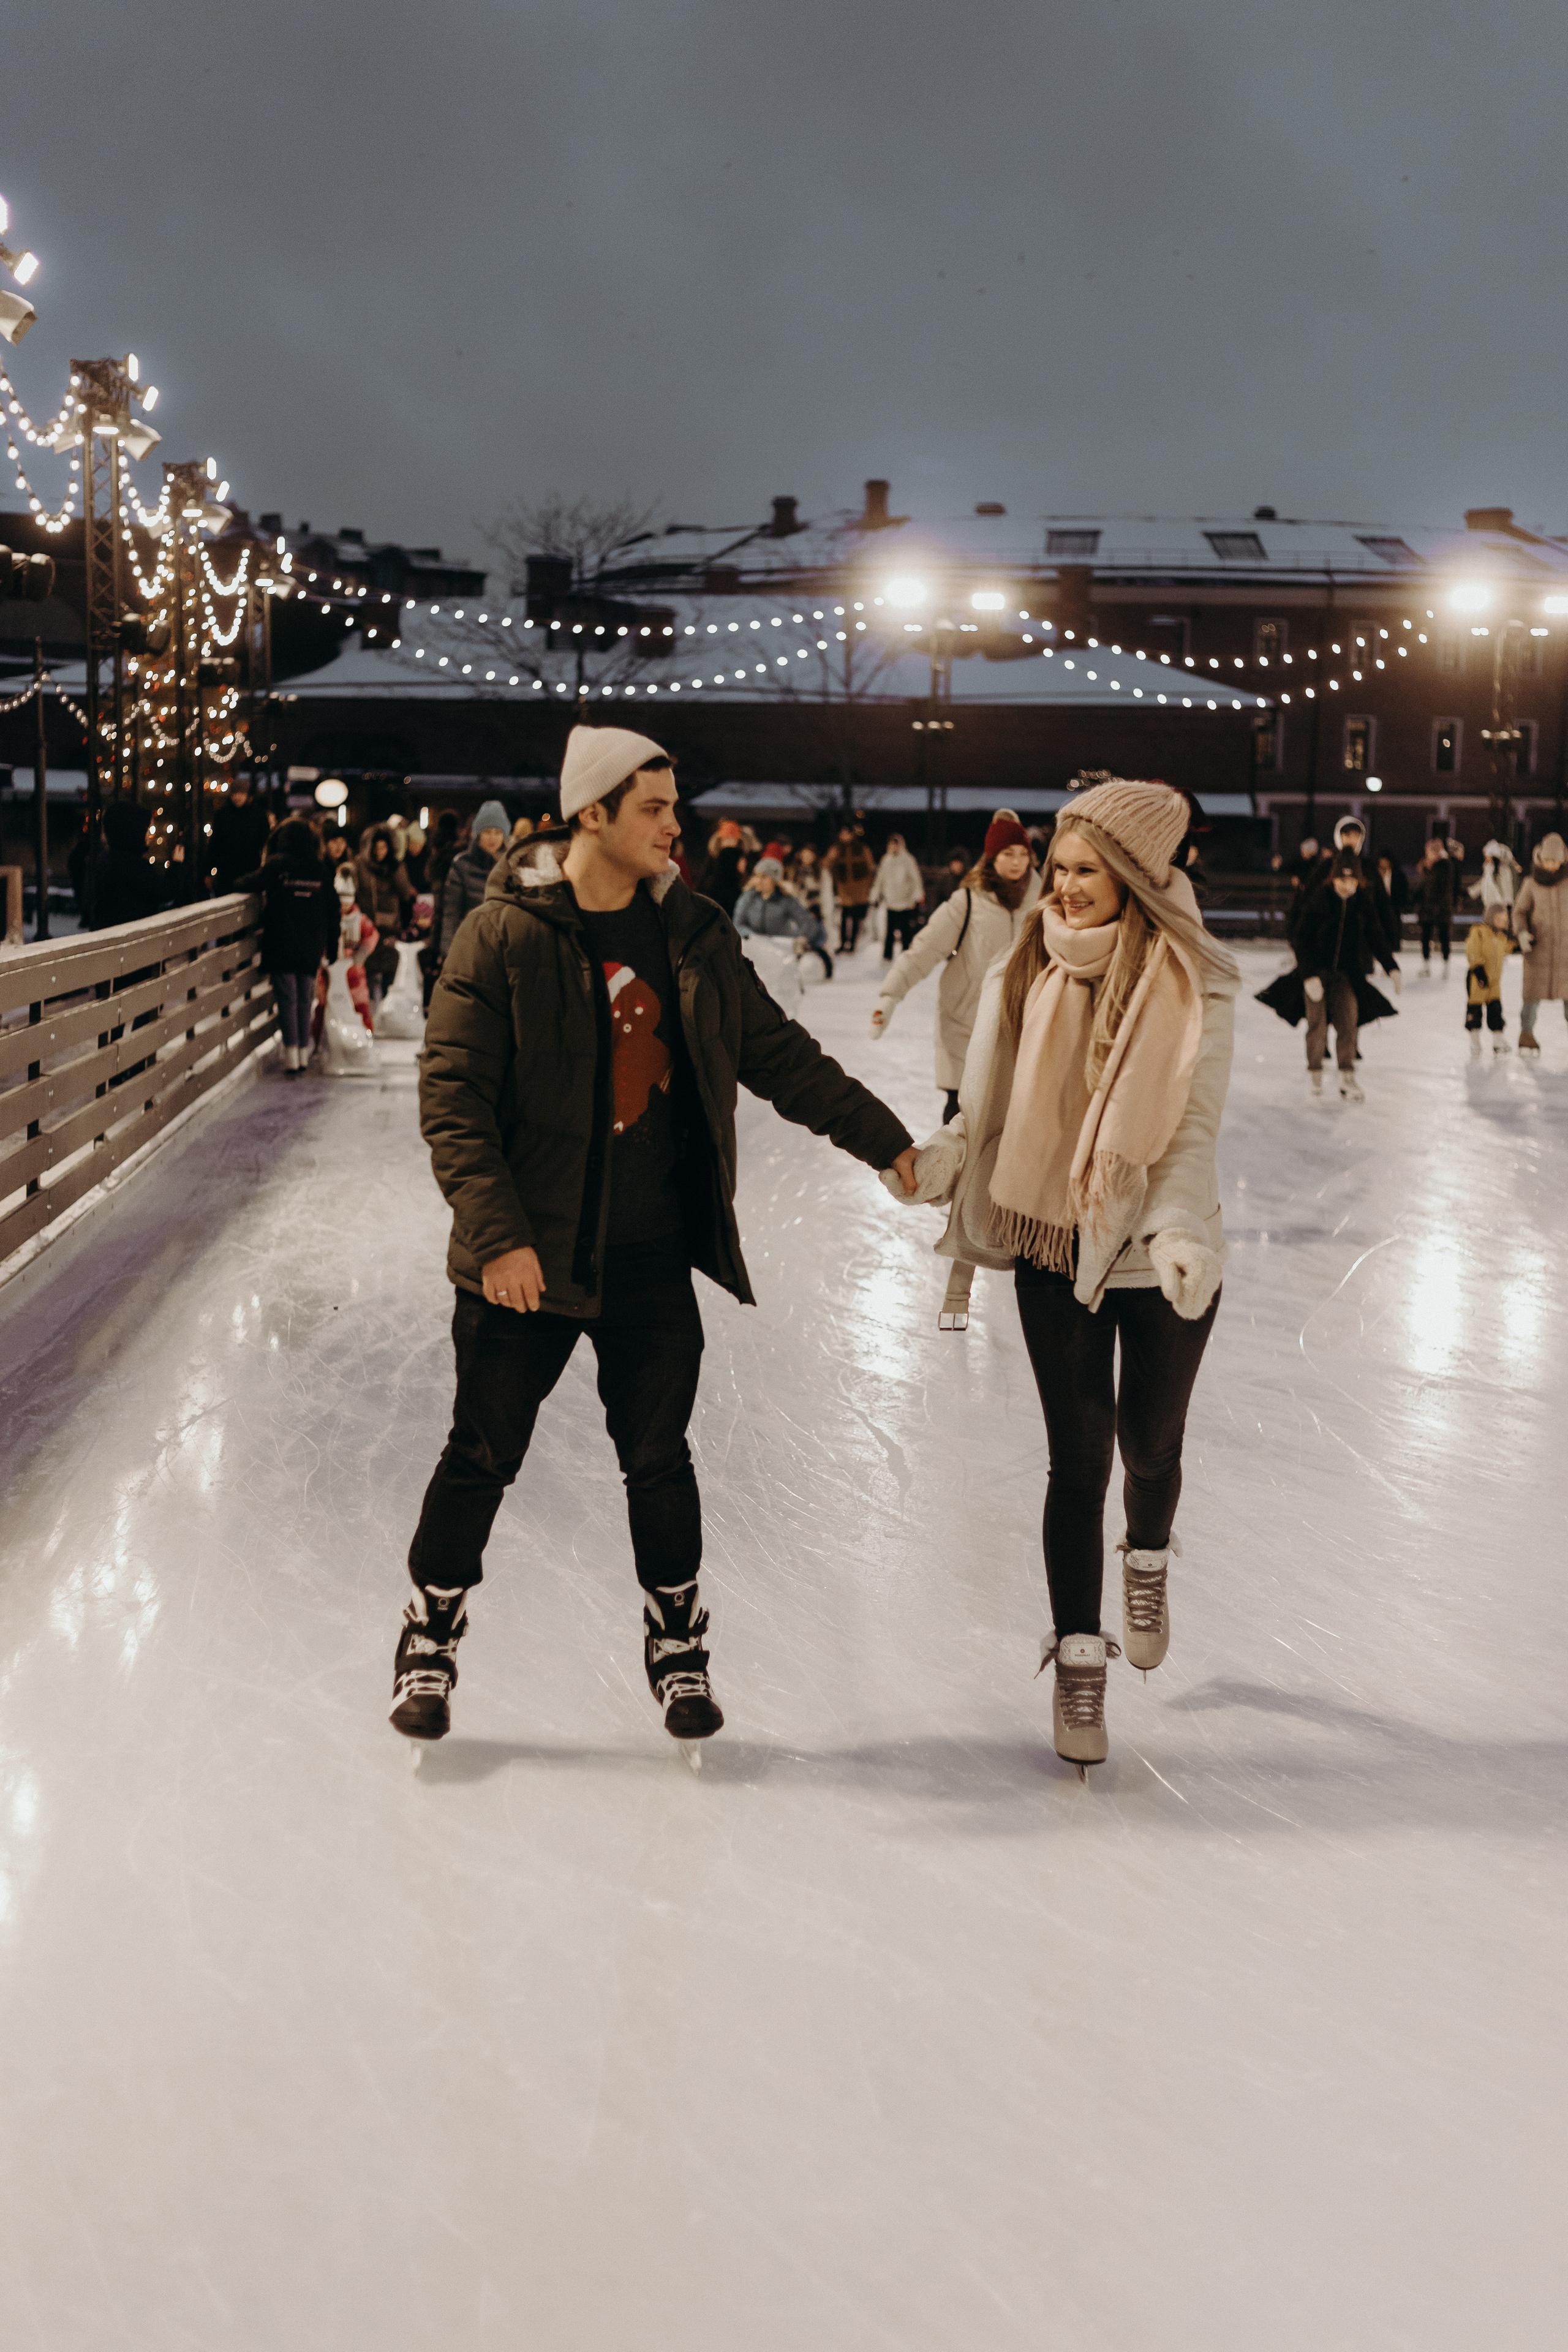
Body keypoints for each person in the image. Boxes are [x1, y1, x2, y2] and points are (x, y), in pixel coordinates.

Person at [394, 726, 918, 1758]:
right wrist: (499, 1239)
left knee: (659, 1457)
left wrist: (890, 1147)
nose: (676, 827)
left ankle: (676, 1636)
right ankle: (433, 1624)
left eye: (673, 809)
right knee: (482, 1453)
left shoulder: (694, 934)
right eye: (654, 809)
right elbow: (453, 1102)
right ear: (592, 813)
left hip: (647, 1253)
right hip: (526, 1262)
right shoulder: (501, 938)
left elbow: (780, 1057)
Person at [884, 780, 1240, 1774]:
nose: (1066, 888)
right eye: (1061, 868)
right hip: (1050, 1244)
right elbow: (989, 1103)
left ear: (1133, 876)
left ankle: (1150, 1555)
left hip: (1163, 1252)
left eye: (1088, 871)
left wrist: (1175, 1229)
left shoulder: (1197, 979)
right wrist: (952, 1158)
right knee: (1077, 1460)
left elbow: (1190, 1129)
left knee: (1148, 1446)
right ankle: (1081, 1656)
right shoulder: (1024, 958)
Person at [871, 815, 1041, 1121]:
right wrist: (890, 995)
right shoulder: (968, 901)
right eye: (1008, 854)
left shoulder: (1043, 904)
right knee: (961, 1115)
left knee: (1012, 1120)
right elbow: (925, 949)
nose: (1017, 862)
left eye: (1023, 854)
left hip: (1021, 1025)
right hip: (966, 1021)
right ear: (991, 858)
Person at [1256, 850, 1398, 1099]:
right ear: (1333, 879)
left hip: (1345, 976)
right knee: (1317, 1023)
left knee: (1349, 1021)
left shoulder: (1362, 902)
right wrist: (1309, 976)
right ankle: (1315, 1072)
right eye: (1342, 881)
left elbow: (1375, 935)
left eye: (1352, 881)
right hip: (1316, 973)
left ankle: (1347, 1076)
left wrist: (1391, 966)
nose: (1347, 886)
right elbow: (1301, 938)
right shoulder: (1320, 899)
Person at [236, 817, 339, 1077]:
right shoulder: (320, 870)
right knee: (306, 998)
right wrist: (332, 946)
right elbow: (333, 910)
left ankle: (292, 1057)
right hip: (311, 945)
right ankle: (303, 1053)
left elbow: (246, 883)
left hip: (282, 941)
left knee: (288, 998)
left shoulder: (278, 866)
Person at [733, 854, 834, 976]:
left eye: (764, 877)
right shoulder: (748, 897)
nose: (759, 880)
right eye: (757, 876)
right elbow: (737, 924)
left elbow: (808, 923)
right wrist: (752, 937)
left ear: (774, 880)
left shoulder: (786, 900)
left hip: (779, 952)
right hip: (754, 950)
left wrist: (799, 939)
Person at [1512, 833, 1568, 1053]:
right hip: (1538, 951)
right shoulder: (1530, 884)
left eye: (1555, 861)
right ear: (1540, 858)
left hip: (1566, 954)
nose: (1551, 865)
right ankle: (1526, 1034)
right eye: (1548, 860)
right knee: (1531, 998)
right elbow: (1519, 912)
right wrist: (1522, 933)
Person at [437, 800, 508, 960]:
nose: (493, 838)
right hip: (470, 945)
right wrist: (448, 951)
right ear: (478, 833)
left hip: (503, 949)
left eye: (498, 832)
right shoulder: (462, 864)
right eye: (487, 831)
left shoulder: (511, 866)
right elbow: (451, 912)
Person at [355, 824, 415, 1000]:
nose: (380, 852)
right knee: (367, 973)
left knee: (389, 973)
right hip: (366, 927)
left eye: (383, 847)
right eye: (376, 847)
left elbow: (405, 895)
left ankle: (386, 1011)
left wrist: (396, 871)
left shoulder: (396, 867)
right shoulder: (360, 865)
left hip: (390, 927)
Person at [1464, 900, 1516, 1055]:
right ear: (1490, 918)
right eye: (1499, 919)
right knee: (1475, 1009)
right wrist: (1479, 970)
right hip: (1477, 979)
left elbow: (1508, 947)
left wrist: (1520, 945)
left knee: (1496, 1010)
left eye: (1504, 920)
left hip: (1494, 982)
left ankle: (1498, 1041)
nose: (1502, 923)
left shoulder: (1501, 937)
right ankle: (1475, 1041)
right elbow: (1472, 950)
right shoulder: (1479, 932)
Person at [209, 778, 273, 896]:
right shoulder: (222, 815)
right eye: (234, 794)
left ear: (248, 795)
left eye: (241, 793)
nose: (237, 797)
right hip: (227, 872)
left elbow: (264, 840)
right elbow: (215, 844)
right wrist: (209, 871)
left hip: (250, 871)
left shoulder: (258, 815)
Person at [870, 831, 925, 960]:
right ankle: (887, 956)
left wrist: (918, 897)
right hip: (891, 902)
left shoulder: (908, 860)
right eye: (891, 845)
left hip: (906, 902)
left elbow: (915, 879)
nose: (893, 848)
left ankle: (907, 954)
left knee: (906, 931)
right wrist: (875, 896)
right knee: (890, 931)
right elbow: (880, 880)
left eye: (895, 845)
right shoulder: (886, 860)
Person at [825, 824, 875, 952]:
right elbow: (826, 865)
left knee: (855, 918)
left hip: (859, 889)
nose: (844, 836)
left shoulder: (862, 849)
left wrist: (868, 886)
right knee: (844, 917)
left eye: (847, 834)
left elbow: (871, 868)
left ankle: (852, 944)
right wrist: (831, 857)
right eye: (842, 834)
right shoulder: (837, 850)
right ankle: (843, 943)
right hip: (845, 890)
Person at [1415, 836, 1456, 970]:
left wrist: (1436, 905)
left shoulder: (1444, 866)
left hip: (1441, 909)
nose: (1428, 854)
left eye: (1431, 851)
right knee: (1426, 936)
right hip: (1428, 909)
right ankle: (1426, 963)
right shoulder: (1428, 866)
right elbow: (1425, 887)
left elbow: (1443, 889)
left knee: (1444, 936)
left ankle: (1446, 963)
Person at [699, 820, 748, 915]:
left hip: (735, 901)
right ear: (720, 841)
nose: (729, 844)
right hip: (715, 899)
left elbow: (746, 881)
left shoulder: (741, 857)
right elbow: (704, 879)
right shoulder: (713, 858)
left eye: (732, 840)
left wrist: (742, 873)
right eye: (726, 840)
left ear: (738, 842)